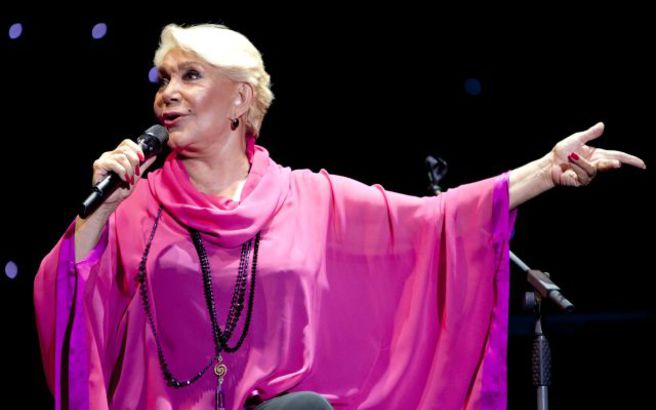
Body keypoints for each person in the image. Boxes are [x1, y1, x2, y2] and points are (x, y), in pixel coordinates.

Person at [33, 23, 646, 410]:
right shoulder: (134, 205)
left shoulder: (307, 199)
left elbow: (433, 221)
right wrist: (99, 214)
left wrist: (546, 170)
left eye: (190, 76)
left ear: (241, 98)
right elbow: (66, 300)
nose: (167, 92)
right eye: (164, 77)